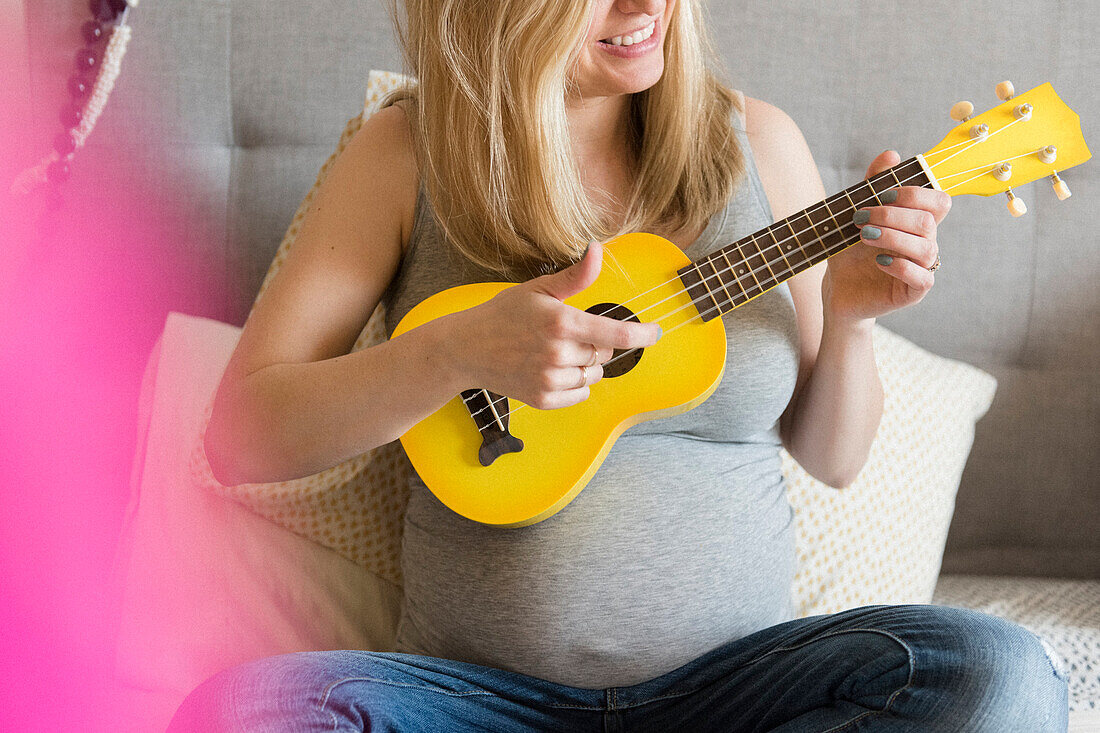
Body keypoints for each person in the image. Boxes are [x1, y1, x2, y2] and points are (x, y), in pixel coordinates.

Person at [170, 0, 1069, 730]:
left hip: (741, 697)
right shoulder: (408, 151)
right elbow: (242, 436)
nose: (645, 8)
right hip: (476, 701)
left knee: (999, 676)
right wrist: (452, 351)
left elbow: (833, 457)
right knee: (242, 712)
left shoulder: (756, 143)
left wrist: (851, 317)